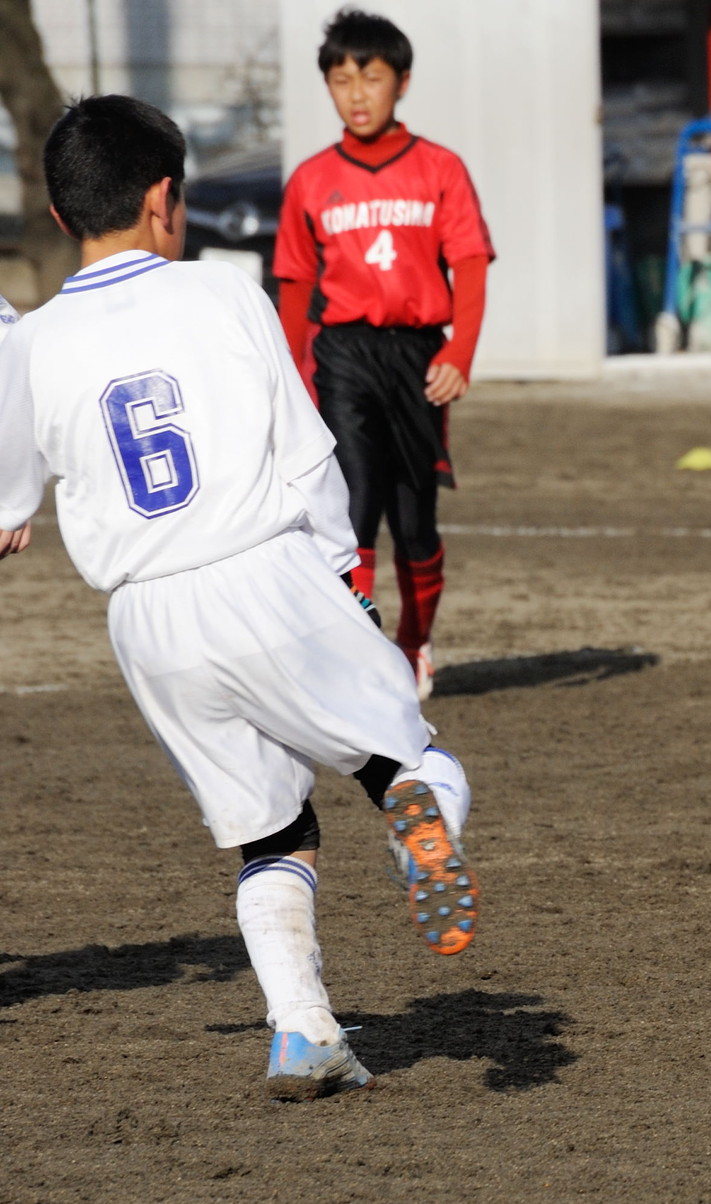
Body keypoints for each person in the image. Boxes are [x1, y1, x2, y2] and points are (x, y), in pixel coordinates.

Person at [0, 96, 480, 1100]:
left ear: (58, 218)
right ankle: (416, 817)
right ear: (166, 199)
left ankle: (304, 1034)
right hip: (261, 572)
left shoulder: (31, 344)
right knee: (411, 757)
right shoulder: (224, 297)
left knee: (273, 833)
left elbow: (8, 505)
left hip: (145, 620)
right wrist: (347, 586)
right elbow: (308, 461)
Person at [275, 8, 495, 698]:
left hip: (417, 358)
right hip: (341, 353)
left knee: (414, 514)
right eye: (341, 79)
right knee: (355, 497)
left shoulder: (439, 169)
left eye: (370, 76)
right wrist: (288, 377)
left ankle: (415, 641)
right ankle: (362, 650)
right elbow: (295, 286)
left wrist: (459, 350)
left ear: (401, 81)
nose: (356, 93)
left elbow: (471, 264)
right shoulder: (311, 180)